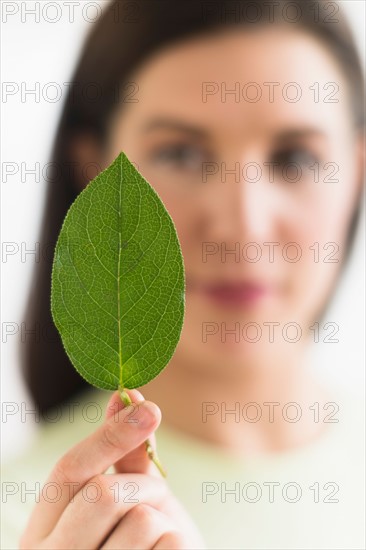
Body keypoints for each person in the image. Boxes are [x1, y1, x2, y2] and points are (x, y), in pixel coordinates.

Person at [3, 0, 364, 548]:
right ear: (94, 172)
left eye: (295, 159)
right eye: (180, 154)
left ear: (356, 172)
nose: (242, 224)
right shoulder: (30, 523)